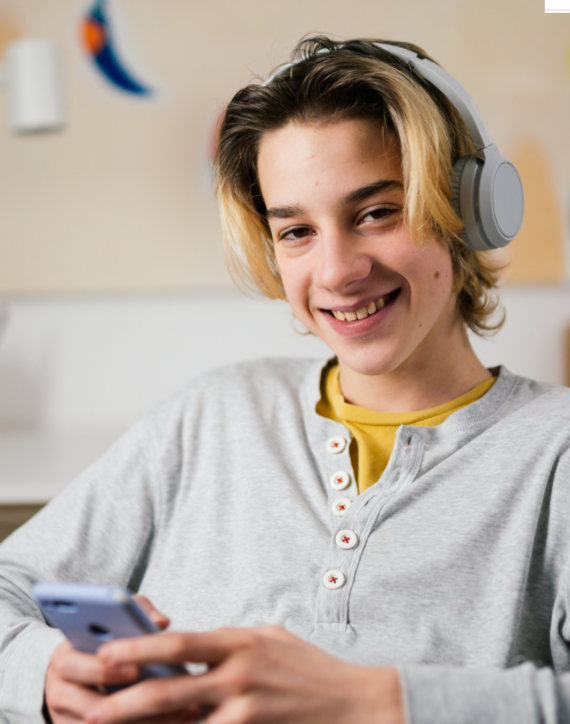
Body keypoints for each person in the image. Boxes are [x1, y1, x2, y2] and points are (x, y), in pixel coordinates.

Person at [0, 35, 569, 724]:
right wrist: (45, 672)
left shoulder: (554, 455)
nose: (335, 271)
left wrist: (364, 699)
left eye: (376, 213)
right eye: (296, 231)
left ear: (471, 208)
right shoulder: (214, 413)